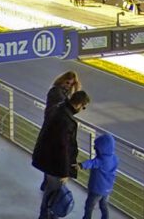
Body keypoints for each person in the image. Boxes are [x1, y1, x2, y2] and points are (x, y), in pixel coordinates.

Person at [32, 91, 91, 219]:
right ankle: (46, 216)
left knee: (50, 192)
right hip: (55, 165)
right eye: (83, 107)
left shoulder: (59, 108)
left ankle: (45, 215)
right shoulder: (66, 120)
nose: (82, 109)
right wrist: (65, 172)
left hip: (47, 160)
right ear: (79, 104)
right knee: (54, 195)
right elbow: (63, 148)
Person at [78, 134, 119, 219]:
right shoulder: (115, 158)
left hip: (96, 189)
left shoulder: (101, 161)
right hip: (107, 189)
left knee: (89, 206)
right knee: (104, 205)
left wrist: (81, 165)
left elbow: (91, 163)